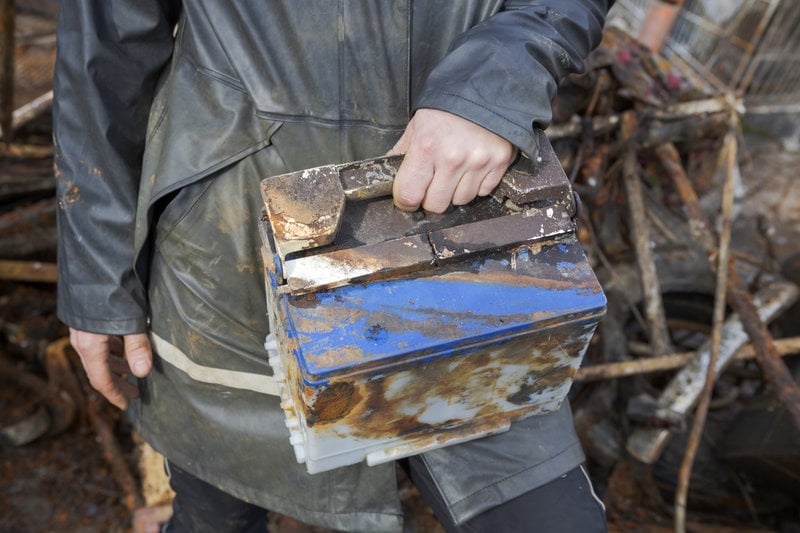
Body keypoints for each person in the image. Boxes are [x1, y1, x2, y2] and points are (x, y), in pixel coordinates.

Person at [54, 1, 612, 531]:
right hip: (231, 260)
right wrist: (99, 281)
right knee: (215, 515)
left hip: (472, 229)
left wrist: (491, 87)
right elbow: (102, 58)